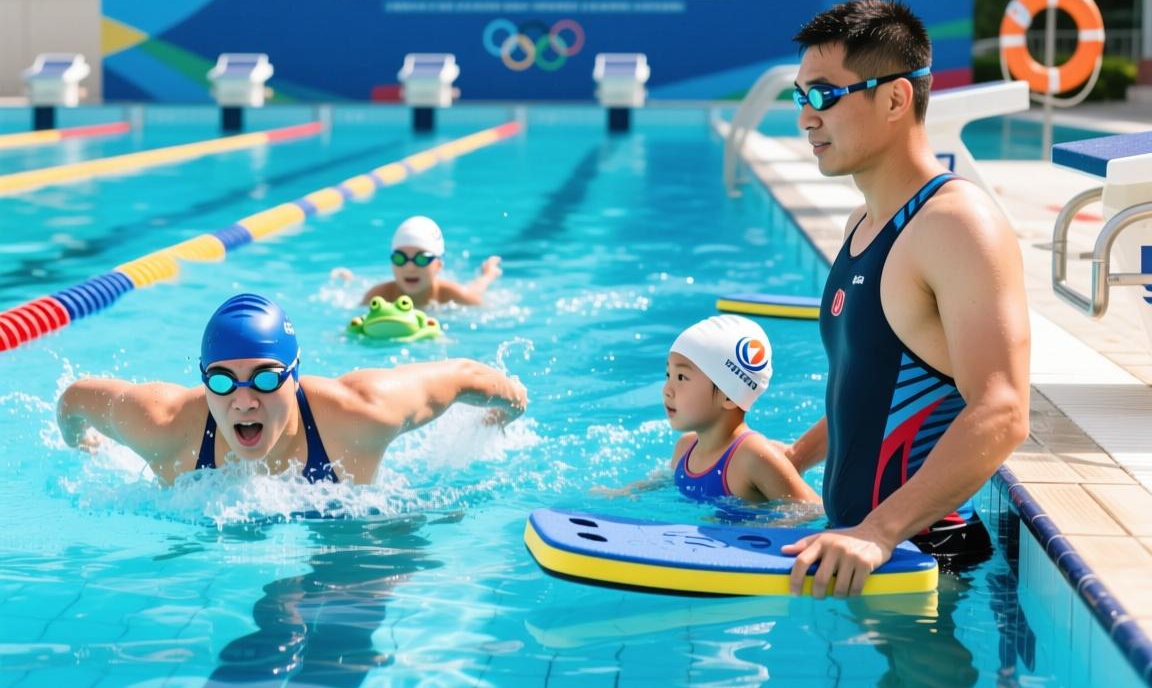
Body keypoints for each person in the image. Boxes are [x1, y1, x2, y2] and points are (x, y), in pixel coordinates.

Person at [778, 0, 1031, 597]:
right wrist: (791, 461)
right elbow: (866, 389)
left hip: (926, 556)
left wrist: (880, 530)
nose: (806, 117)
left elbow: (1002, 409)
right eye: (799, 98)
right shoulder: (861, 226)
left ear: (895, 98)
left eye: (823, 96)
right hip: (858, 547)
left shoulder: (955, 224)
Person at [56, 292, 527, 485]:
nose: (243, 399)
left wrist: (508, 408)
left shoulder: (361, 414)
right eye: (221, 380)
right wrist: (84, 445)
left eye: (264, 377)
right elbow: (74, 399)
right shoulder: (164, 426)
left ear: (295, 375)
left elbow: (464, 375)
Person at [596, 315, 818, 505]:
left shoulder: (753, 456)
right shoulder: (685, 446)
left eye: (681, 377)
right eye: (668, 375)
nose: (667, 390)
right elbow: (664, 482)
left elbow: (811, 509)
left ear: (729, 396)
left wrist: (765, 527)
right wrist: (627, 493)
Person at [348, 215, 501, 308]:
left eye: (421, 259)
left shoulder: (453, 296)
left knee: (475, 288)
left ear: (438, 265)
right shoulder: (379, 296)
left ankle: (488, 274)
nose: (409, 267)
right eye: (400, 258)